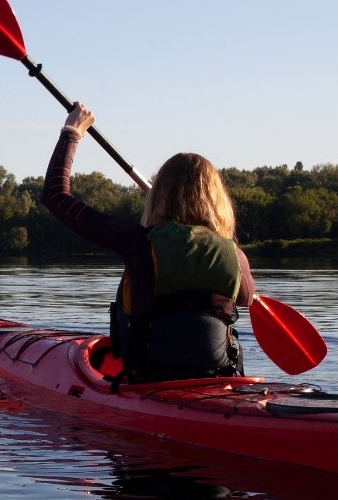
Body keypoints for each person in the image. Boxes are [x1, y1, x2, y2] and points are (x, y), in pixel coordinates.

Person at [42, 103, 256, 384]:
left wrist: (72, 131)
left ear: (158, 196)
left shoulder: (138, 243)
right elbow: (246, 299)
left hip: (152, 380)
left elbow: (56, 196)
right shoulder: (235, 256)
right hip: (218, 379)